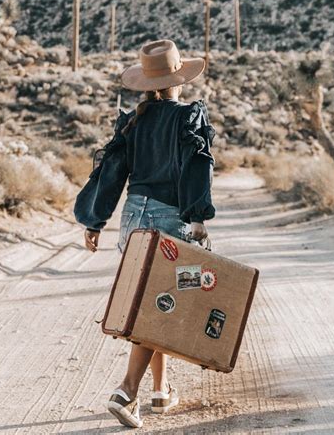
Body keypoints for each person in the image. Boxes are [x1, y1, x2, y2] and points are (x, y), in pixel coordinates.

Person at [74, 39, 216, 429]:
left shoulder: (134, 121)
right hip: (170, 217)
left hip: (133, 218)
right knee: (159, 307)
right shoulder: (187, 117)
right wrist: (198, 215)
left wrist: (94, 220)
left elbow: (111, 173)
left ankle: (160, 390)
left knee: (156, 302)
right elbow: (196, 167)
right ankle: (126, 392)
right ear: (178, 82)